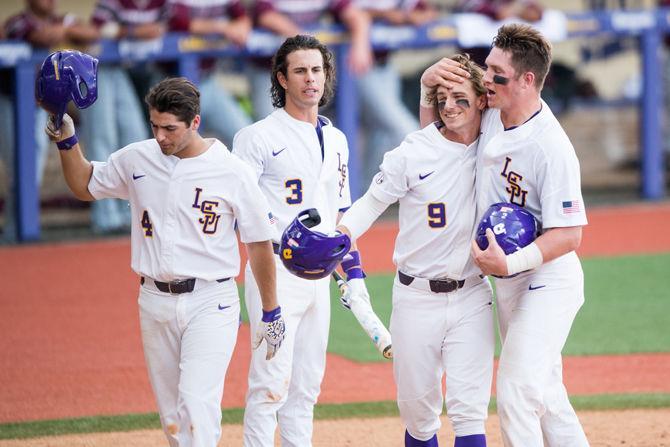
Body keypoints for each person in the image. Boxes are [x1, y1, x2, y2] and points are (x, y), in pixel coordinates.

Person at [44, 75, 285, 447]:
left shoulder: (232, 170)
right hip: (154, 301)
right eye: (154, 125)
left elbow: (258, 243)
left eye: (170, 129)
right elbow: (85, 184)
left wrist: (271, 311)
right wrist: (67, 141)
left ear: (195, 123)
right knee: (172, 416)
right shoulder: (138, 158)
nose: (160, 136)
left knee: (196, 403)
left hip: (211, 300)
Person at [420, 24, 590, 446]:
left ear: (527, 80)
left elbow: (569, 235)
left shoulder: (552, 147)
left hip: (548, 279)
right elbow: (435, 140)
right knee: (546, 393)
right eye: (486, 67)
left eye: (497, 72)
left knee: (516, 390)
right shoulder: (490, 113)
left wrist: (510, 263)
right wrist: (428, 84)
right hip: (510, 282)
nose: (485, 79)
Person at [336, 54, 494, 447]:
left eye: (461, 98)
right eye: (443, 98)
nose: (451, 106)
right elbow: (372, 202)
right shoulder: (413, 150)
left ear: (481, 102)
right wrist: (340, 236)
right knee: (419, 417)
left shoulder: (496, 144)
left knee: (469, 411)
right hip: (415, 297)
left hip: (472, 293)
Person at [232, 35, 366, 446]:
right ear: (282, 79)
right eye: (301, 71)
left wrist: (354, 273)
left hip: (319, 276)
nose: (311, 79)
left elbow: (341, 213)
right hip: (275, 268)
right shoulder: (257, 137)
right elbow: (239, 207)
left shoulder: (337, 139)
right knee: (270, 381)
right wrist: (283, 229)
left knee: (307, 383)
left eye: (317, 70)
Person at [1, 0, 97, 242]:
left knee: (31, 170)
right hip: (10, 102)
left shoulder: (60, 20)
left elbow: (90, 34)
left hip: (35, 107)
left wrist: (65, 29)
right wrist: (62, 30)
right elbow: (39, 36)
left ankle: (17, 232)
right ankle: (15, 233)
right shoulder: (18, 22)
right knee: (20, 169)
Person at [78, 0, 169, 235]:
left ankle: (130, 212)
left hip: (123, 70)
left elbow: (173, 24)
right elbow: (96, 32)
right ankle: (105, 217)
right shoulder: (113, 2)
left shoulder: (161, 3)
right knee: (103, 137)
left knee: (135, 135)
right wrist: (134, 32)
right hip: (98, 68)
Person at [351, 0, 437, 183]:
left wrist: (410, 17)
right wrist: (386, 15)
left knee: (380, 137)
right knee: (405, 130)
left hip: (385, 66)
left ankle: (364, 200)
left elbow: (426, 12)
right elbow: (349, 11)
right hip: (357, 66)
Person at [247, 0, 373, 122]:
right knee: (271, 126)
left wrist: (360, 44)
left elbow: (356, 15)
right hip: (269, 70)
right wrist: (302, 40)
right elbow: (266, 16)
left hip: (306, 70)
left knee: (312, 123)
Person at [166, 0, 253, 146]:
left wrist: (242, 27)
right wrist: (222, 27)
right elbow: (181, 23)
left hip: (207, 81)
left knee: (246, 137)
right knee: (174, 147)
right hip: (172, 84)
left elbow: (242, 17)